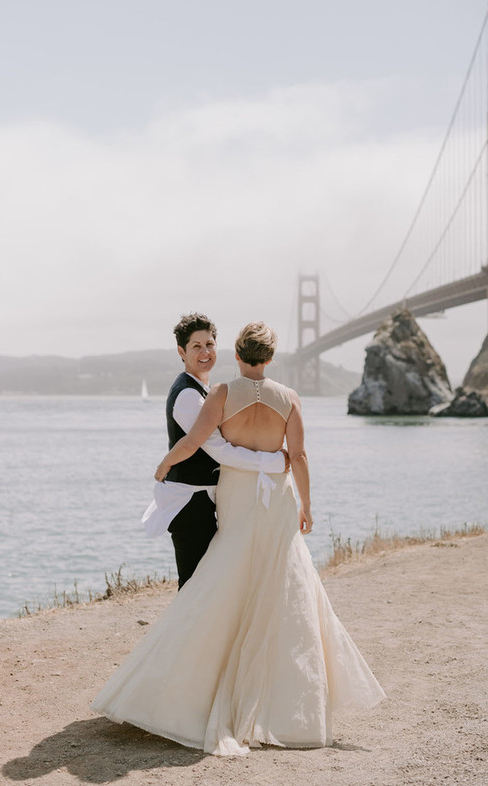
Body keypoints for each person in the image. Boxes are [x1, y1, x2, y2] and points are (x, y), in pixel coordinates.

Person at [92, 322, 385, 756]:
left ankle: (182, 688)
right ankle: (288, 708)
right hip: (278, 500)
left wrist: (164, 464)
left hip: (237, 496)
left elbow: (196, 441)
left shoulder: (222, 394)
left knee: (224, 576)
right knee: (283, 585)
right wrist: (306, 505)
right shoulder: (289, 398)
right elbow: (299, 456)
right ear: (271, 356)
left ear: (236, 353)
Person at [141, 313, 288, 588]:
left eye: (209, 344)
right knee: (195, 586)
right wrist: (276, 462)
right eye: (196, 346)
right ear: (181, 352)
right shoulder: (187, 395)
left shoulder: (201, 389)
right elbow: (219, 450)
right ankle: (183, 633)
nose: (205, 352)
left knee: (205, 584)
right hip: (189, 500)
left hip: (200, 498)